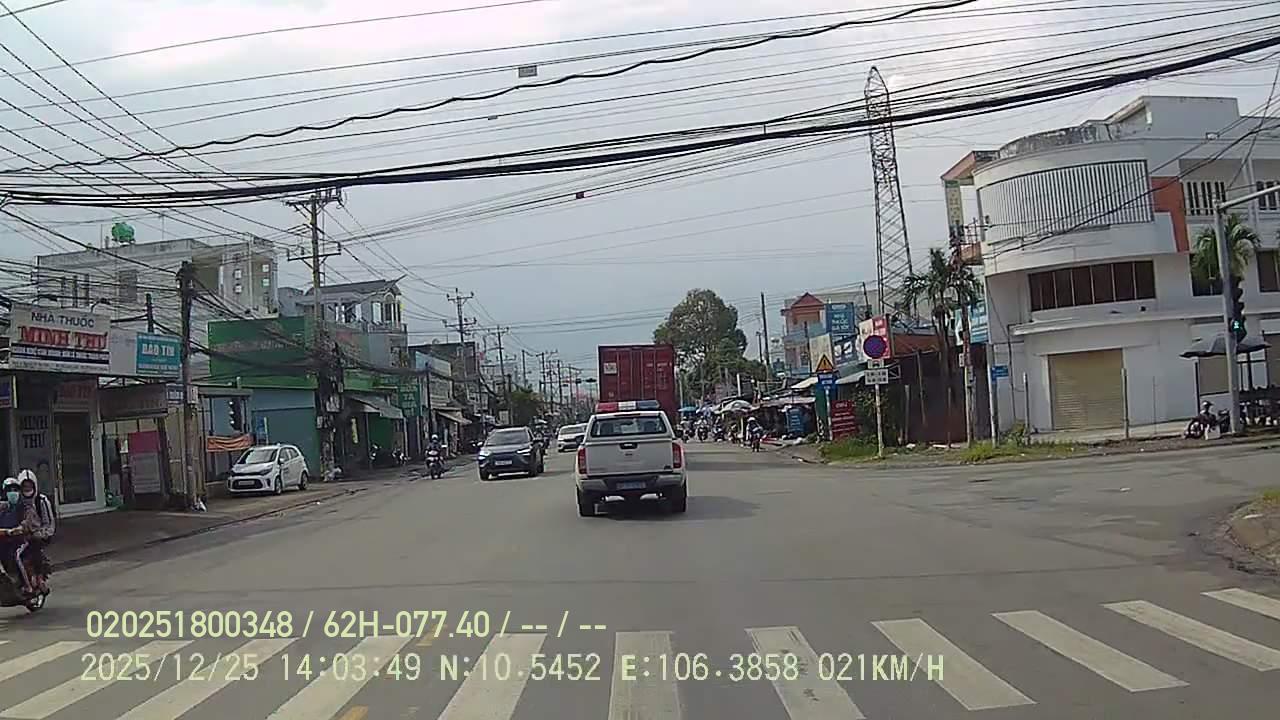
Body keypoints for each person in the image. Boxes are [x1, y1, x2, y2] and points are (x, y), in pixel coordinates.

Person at [0, 476, 41, 594]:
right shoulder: (3, 508)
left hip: (20, 541)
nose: (12, 493)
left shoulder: (25, 507)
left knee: (16, 556)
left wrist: (18, 529)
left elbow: (27, 523)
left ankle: (28, 586)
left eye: (15, 490)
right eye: (9, 490)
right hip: (3, 541)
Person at [15, 470, 54, 591]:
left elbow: (49, 524)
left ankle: (39, 578)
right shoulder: (17, 502)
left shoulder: (41, 501)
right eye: (24, 486)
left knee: (34, 546)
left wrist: (40, 534)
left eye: (29, 486)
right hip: (20, 533)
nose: (27, 489)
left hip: (39, 534)